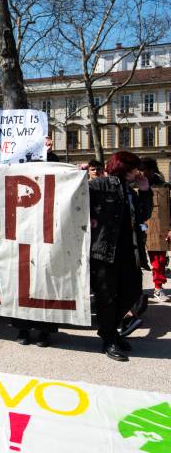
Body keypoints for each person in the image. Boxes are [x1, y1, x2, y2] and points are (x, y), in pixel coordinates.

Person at [89, 151, 153, 362]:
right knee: (106, 297)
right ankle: (109, 338)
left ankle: (109, 331)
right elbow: (76, 201)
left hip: (129, 251)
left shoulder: (131, 191)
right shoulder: (99, 185)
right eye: (135, 168)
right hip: (104, 251)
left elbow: (144, 215)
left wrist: (145, 191)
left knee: (133, 291)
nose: (138, 172)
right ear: (125, 168)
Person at [138, 157, 171, 302]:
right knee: (135, 260)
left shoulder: (164, 187)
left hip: (157, 226)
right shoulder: (132, 185)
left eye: (143, 169)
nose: (140, 173)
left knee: (158, 259)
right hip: (140, 226)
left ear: (151, 170)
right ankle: (135, 291)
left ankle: (158, 288)